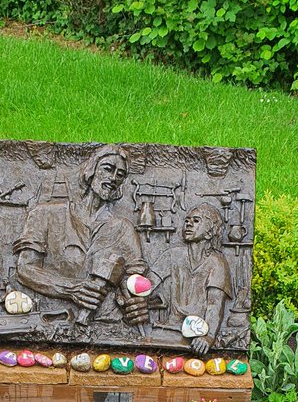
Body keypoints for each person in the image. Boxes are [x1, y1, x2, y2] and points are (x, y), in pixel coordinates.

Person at [14, 145, 148, 325]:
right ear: (91, 169)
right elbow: (25, 269)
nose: (113, 178)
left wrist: (136, 304)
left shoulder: (124, 229)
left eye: (120, 174)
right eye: (108, 169)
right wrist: (71, 289)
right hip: (52, 318)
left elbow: (132, 282)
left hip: (107, 324)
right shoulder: (45, 215)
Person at [148, 203, 232, 355]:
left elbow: (215, 305)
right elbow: (147, 284)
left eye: (196, 220)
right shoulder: (173, 254)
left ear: (209, 232)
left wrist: (209, 336)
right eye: (187, 220)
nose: (188, 223)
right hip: (170, 329)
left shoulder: (217, 263)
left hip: (197, 335)